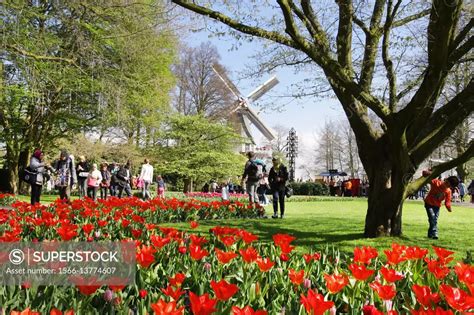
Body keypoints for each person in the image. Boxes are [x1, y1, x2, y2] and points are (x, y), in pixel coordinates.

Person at [422, 170, 459, 240]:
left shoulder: (448, 191)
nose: (447, 185)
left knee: (433, 220)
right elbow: (425, 175)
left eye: (449, 185)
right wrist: (430, 173)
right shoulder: (436, 182)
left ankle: (430, 235)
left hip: (437, 206)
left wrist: (449, 208)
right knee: (432, 217)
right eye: (447, 182)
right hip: (429, 204)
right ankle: (435, 233)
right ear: (446, 180)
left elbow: (447, 202)